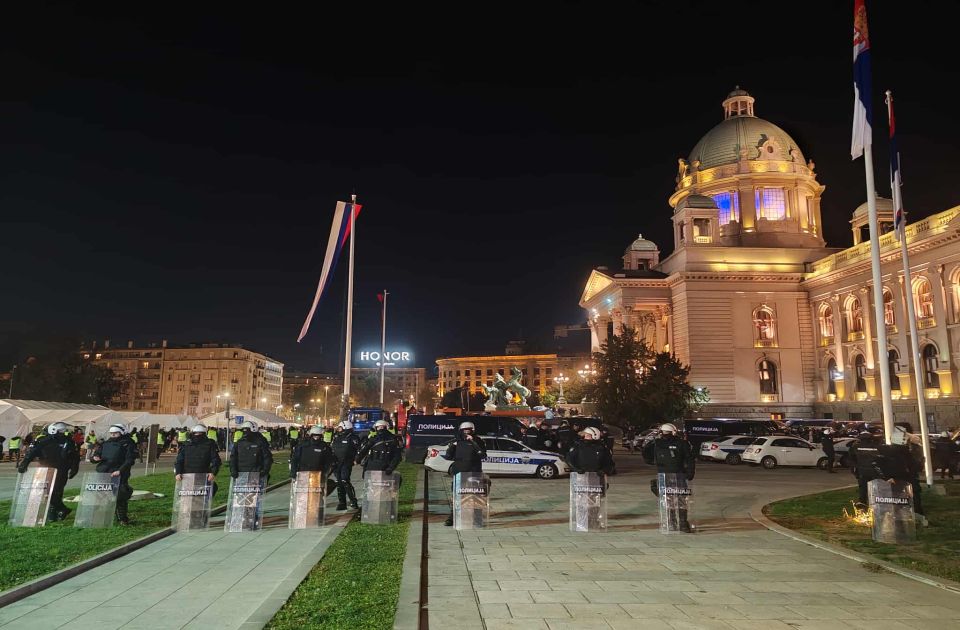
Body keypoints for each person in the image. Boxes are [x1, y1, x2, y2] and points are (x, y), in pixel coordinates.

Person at [18, 422, 80, 522]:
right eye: (61, 431)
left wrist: (74, 468)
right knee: (45, 492)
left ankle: (54, 513)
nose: (63, 433)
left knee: (56, 492)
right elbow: (32, 452)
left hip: (61, 470)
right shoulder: (43, 440)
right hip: (45, 469)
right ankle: (61, 510)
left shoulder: (68, 441)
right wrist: (24, 463)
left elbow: (74, 456)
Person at [642, 423, 695, 532]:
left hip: (669, 474)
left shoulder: (659, 443)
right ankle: (680, 523)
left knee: (670, 499)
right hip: (676, 475)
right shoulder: (680, 443)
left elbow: (647, 457)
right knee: (678, 499)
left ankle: (673, 522)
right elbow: (690, 459)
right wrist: (690, 473)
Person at [442, 421, 488, 526]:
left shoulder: (479, 441)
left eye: (469, 430)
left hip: (474, 473)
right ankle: (453, 517)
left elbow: (483, 455)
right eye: (465, 430)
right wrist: (451, 446)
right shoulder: (457, 441)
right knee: (456, 496)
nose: (467, 432)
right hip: (459, 473)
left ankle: (477, 518)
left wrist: (473, 442)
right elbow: (448, 456)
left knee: (476, 496)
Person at [873, 427, 924, 519]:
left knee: (896, 499)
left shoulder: (884, 450)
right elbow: (915, 467)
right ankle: (916, 513)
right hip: (907, 479)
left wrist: (886, 477)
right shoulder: (906, 452)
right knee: (913, 496)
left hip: (893, 481)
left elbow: (876, 465)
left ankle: (896, 514)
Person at [91, 424, 138, 525]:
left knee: (120, 495)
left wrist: (120, 470)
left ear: (122, 432)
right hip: (104, 471)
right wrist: (95, 458)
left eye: (115, 433)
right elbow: (96, 454)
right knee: (100, 495)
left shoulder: (128, 443)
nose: (113, 435)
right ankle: (99, 516)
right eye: (111, 433)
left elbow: (130, 459)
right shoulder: (106, 443)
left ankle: (122, 518)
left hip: (119, 472)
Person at [175, 424, 222, 498]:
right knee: (209, 491)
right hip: (201, 475)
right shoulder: (209, 444)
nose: (198, 435)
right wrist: (213, 472)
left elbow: (179, 460)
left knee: (187, 496)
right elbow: (216, 460)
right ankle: (203, 505)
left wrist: (178, 473)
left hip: (189, 475)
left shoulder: (186, 444)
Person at [330, 420, 361, 510]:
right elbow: (332, 448)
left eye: (340, 427)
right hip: (336, 463)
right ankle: (342, 502)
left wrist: (356, 459)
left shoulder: (353, 437)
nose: (338, 429)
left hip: (346, 462)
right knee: (338, 482)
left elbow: (358, 450)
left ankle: (353, 501)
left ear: (346, 427)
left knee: (345, 480)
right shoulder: (336, 437)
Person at [849, 431, 881, 507]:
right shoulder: (876, 446)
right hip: (875, 470)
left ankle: (862, 502)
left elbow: (852, 459)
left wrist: (855, 470)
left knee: (863, 487)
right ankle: (876, 502)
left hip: (862, 471)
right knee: (875, 487)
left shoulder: (855, 447)